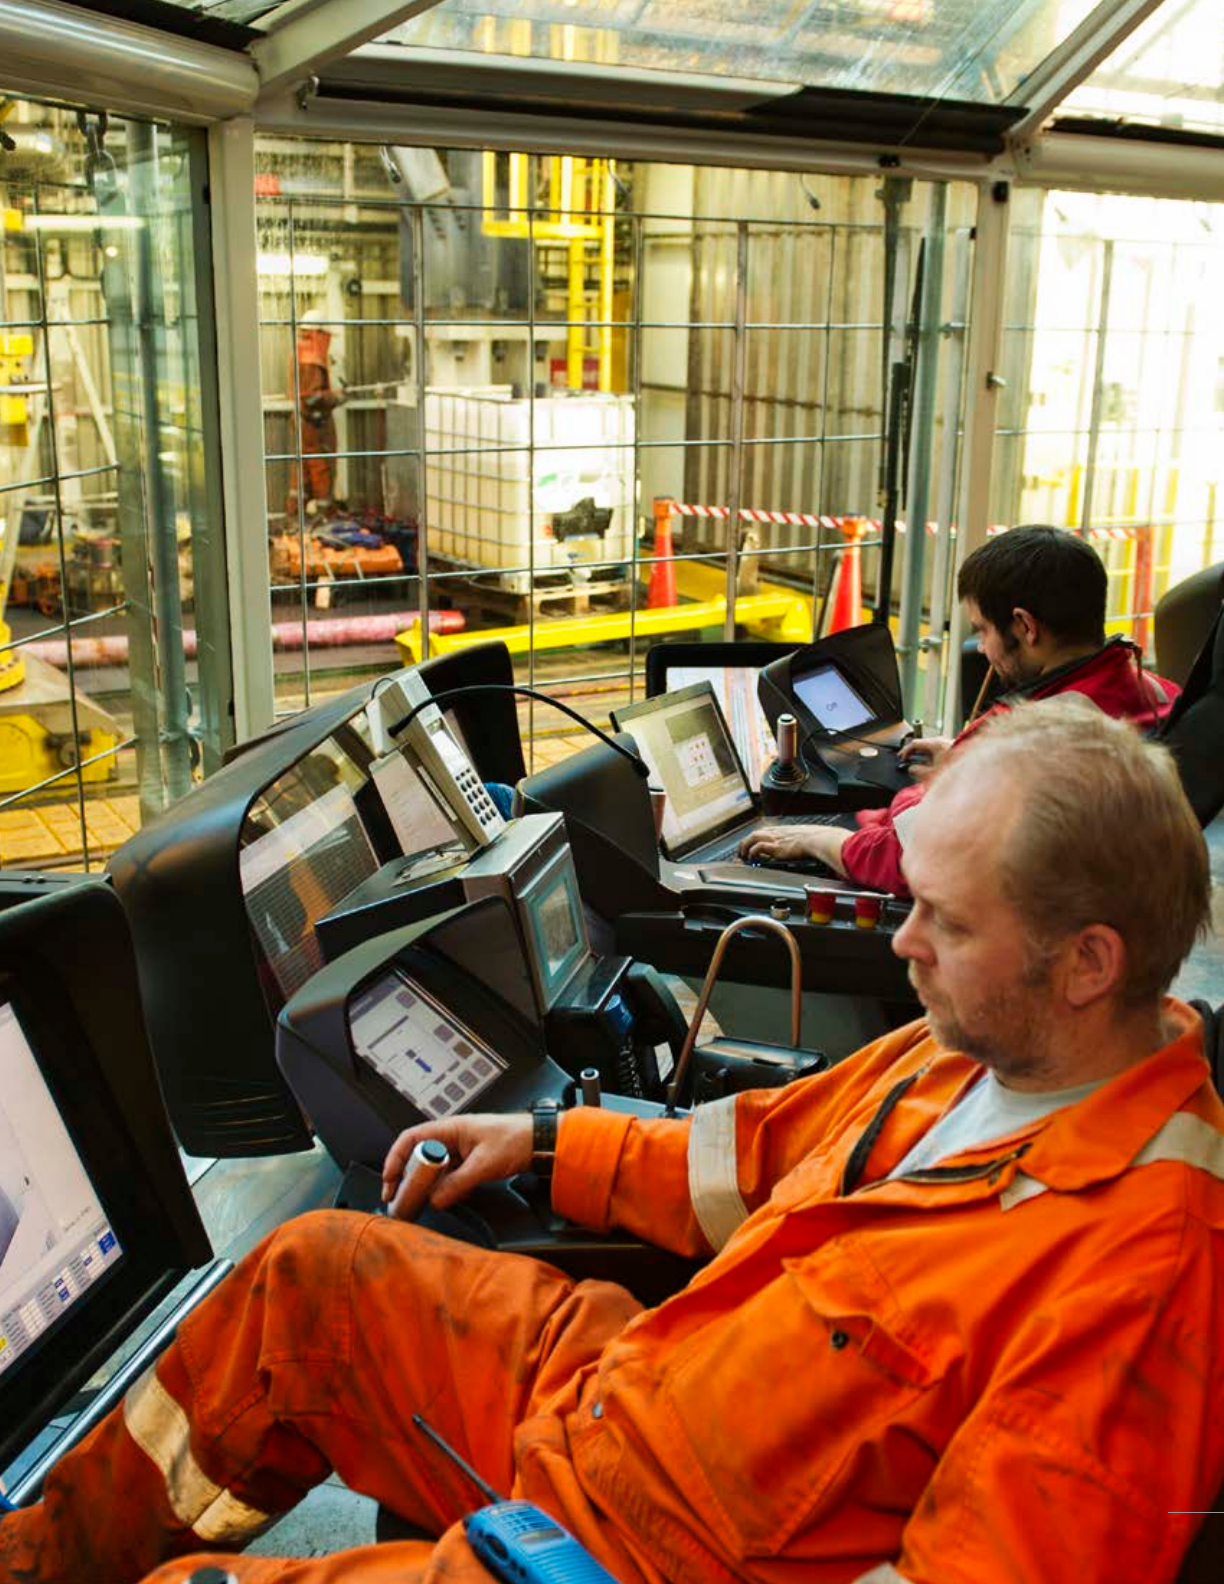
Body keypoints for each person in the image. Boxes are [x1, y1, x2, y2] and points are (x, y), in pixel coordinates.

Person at [3, 699, 1221, 1584]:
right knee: (311, 1277)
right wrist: (539, 1142)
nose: (903, 942)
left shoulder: (1142, 1275)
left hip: (643, 1554)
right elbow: (746, 1157)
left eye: (943, 921)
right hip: (629, 1387)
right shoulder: (972, 1051)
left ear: (1087, 963)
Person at [739, 524, 1181, 893]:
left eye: (982, 630)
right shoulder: (1160, 694)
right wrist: (965, 759)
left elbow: (914, 858)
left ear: (1025, 626)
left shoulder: (1020, 739)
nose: (983, 649)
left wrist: (823, 840)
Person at [286, 310, 346, 519]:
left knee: (302, 468)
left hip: (303, 421)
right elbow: (312, 397)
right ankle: (323, 515)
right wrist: (336, 397)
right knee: (320, 466)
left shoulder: (299, 352)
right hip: (313, 424)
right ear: (317, 333)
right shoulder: (311, 358)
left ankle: (295, 516)